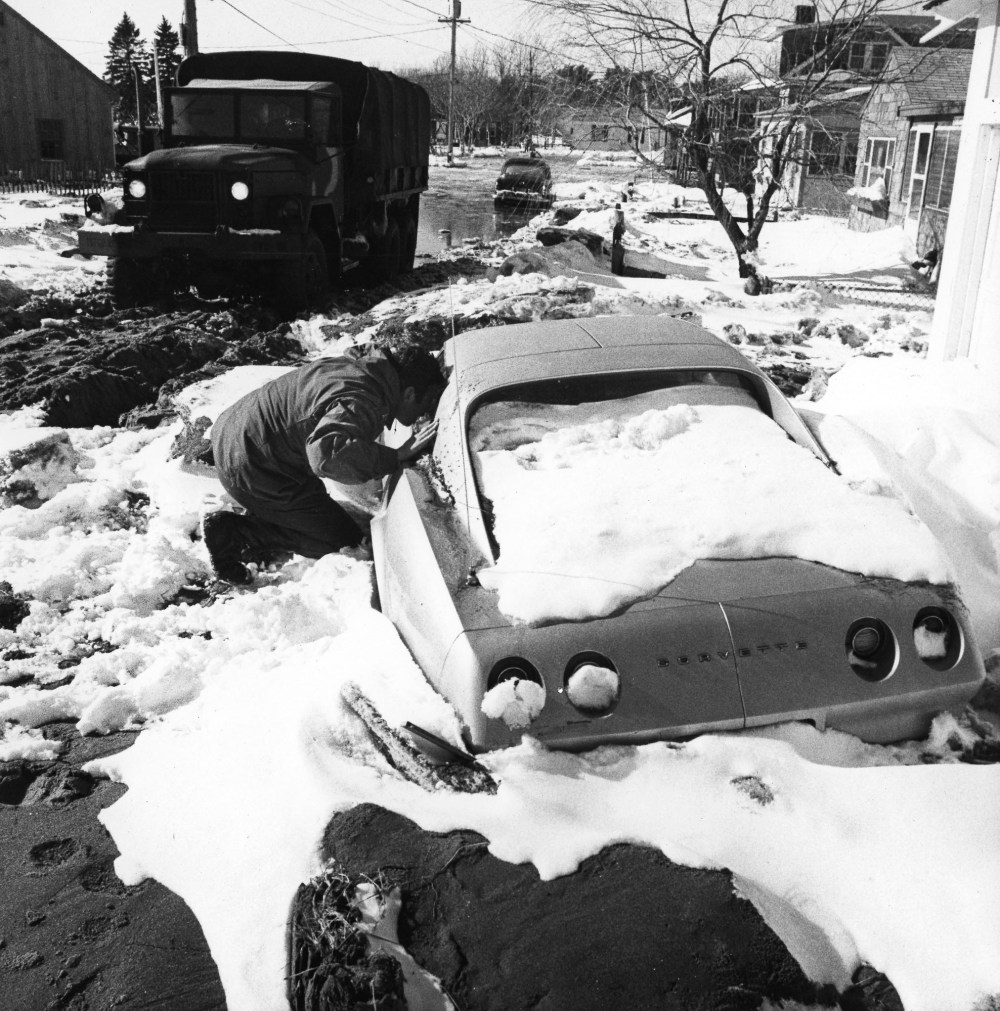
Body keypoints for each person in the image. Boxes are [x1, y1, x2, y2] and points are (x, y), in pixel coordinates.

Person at [202, 346, 445, 584]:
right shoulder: (365, 400)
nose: (424, 413)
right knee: (345, 543)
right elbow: (327, 457)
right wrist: (395, 456)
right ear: (409, 393)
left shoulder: (365, 369)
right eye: (427, 402)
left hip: (238, 433)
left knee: (317, 511)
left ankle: (270, 517)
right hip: (252, 463)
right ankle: (237, 534)